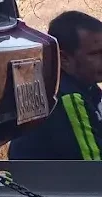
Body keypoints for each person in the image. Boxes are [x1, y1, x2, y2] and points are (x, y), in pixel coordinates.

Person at [9, 11, 102, 159]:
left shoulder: (88, 88)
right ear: (64, 58)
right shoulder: (67, 97)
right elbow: (93, 166)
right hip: (44, 181)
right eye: (95, 54)